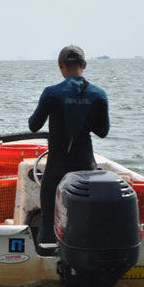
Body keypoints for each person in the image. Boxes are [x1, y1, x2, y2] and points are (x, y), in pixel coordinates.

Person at [28, 45, 109, 255]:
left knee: (48, 218)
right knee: (85, 219)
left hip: (57, 168)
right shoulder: (99, 95)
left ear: (60, 66)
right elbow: (103, 131)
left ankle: (47, 258)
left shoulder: (51, 93)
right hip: (86, 169)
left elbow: (33, 125)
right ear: (84, 65)